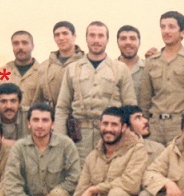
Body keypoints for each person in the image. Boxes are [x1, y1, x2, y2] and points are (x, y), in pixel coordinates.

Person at [3, 103, 81, 196]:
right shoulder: (19, 148)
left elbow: (75, 178)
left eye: (45, 120)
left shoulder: (66, 145)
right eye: (35, 120)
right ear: (28, 123)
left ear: (52, 124)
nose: (40, 125)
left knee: (58, 194)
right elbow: (11, 184)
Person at [55, 21, 137, 163]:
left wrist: (127, 140)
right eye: (92, 36)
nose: (96, 40)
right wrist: (60, 141)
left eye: (101, 36)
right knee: (79, 173)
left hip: (111, 137)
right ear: (86, 38)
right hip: (79, 139)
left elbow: (130, 107)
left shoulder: (120, 69)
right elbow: (62, 108)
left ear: (107, 39)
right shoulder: (73, 69)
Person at [139, 11, 184, 146]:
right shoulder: (152, 61)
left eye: (171, 27)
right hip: (155, 126)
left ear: (183, 32)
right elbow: (145, 99)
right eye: (163, 27)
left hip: (181, 125)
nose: (166, 31)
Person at [32, 21, 85, 107]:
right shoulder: (44, 67)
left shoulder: (85, 63)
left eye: (65, 33)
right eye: (57, 35)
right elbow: (38, 98)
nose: (61, 38)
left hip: (79, 113)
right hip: (52, 113)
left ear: (74, 36)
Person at [0, 30, 40, 107]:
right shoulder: (4, 71)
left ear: (32, 46)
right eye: (16, 43)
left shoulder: (42, 72)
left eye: (24, 43)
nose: (20, 47)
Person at [117, 25, 145, 102]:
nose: (128, 42)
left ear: (139, 42)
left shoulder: (148, 69)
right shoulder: (109, 69)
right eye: (123, 39)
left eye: (132, 38)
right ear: (117, 42)